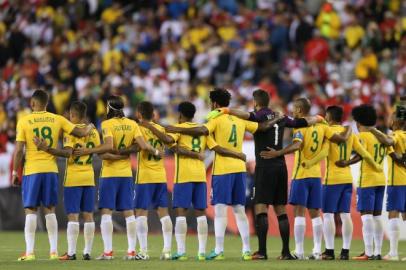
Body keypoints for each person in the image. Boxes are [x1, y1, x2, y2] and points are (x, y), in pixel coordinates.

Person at [206, 89, 324, 260]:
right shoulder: (282, 117)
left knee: (260, 206)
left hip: (264, 165)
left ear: (256, 102)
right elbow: (302, 123)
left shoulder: (258, 115)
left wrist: (227, 110)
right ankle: (285, 252)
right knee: (280, 209)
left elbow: (245, 115)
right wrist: (319, 118)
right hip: (281, 166)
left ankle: (262, 251)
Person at [165, 88, 281, 261]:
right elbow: (262, 127)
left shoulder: (216, 117)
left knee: (220, 210)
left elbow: (202, 131)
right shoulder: (240, 118)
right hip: (239, 170)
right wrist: (277, 118)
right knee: (239, 210)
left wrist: (174, 128)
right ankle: (246, 250)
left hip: (223, 170)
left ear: (215, 103)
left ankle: (219, 250)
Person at [140, 101, 247, 260]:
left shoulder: (180, 128)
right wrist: (237, 154)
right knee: (201, 213)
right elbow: (217, 148)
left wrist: (150, 126)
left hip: (183, 176)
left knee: (181, 213)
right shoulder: (203, 131)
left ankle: (182, 252)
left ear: (181, 114)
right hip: (200, 176)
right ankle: (201, 252)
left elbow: (167, 140)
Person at [260, 98, 351, 260]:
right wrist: (349, 128)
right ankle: (316, 250)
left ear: (300, 110)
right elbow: (340, 139)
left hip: (301, 174)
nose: (293, 111)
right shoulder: (323, 126)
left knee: (299, 212)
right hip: (316, 176)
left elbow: (296, 145)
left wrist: (278, 153)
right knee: (315, 213)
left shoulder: (300, 126)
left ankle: (299, 251)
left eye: (294, 108)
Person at [73, 95, 161, 260]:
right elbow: (142, 146)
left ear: (109, 108)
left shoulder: (107, 124)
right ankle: (131, 251)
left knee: (106, 212)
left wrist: (88, 151)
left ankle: (108, 252)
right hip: (126, 174)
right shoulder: (132, 124)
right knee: (129, 212)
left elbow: (107, 147)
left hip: (110, 174)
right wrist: (155, 151)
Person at [13, 89, 94, 261]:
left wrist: (14, 171)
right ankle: (53, 252)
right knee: (50, 210)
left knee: (31, 210)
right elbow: (80, 133)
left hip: (32, 170)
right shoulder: (58, 119)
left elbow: (19, 150)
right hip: (51, 169)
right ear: (47, 103)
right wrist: (90, 127)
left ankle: (30, 253)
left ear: (32, 103)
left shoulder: (24, 121)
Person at [303, 105, 381, 260]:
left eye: (326, 116)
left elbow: (325, 152)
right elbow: (363, 152)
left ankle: (330, 251)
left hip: (332, 179)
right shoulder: (350, 134)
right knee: (345, 215)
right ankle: (345, 251)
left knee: (328, 215)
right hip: (347, 179)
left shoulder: (329, 133)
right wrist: (376, 165)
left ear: (330, 117)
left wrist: (310, 163)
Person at [33, 101, 101, 260]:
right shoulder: (94, 131)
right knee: (89, 215)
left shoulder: (71, 132)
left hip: (74, 178)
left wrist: (47, 149)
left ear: (73, 115)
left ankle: (71, 253)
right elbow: (97, 150)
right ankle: (87, 252)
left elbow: (68, 153)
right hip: (89, 177)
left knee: (73, 215)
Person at [345, 105, 388, 261]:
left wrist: (348, 162)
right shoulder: (381, 136)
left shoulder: (362, 136)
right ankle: (377, 252)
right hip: (381, 179)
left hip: (367, 180)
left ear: (358, 123)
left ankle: (368, 253)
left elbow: (361, 155)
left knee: (366, 216)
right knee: (376, 217)